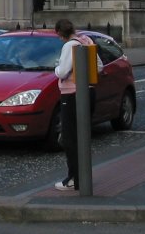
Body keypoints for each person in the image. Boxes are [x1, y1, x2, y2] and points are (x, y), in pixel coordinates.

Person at [53, 19, 101, 192]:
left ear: (59, 32)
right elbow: (99, 67)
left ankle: (74, 178)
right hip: (88, 92)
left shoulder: (69, 46)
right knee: (83, 136)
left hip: (71, 94)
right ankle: (82, 177)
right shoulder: (86, 41)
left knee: (70, 137)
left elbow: (63, 71)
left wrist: (56, 69)